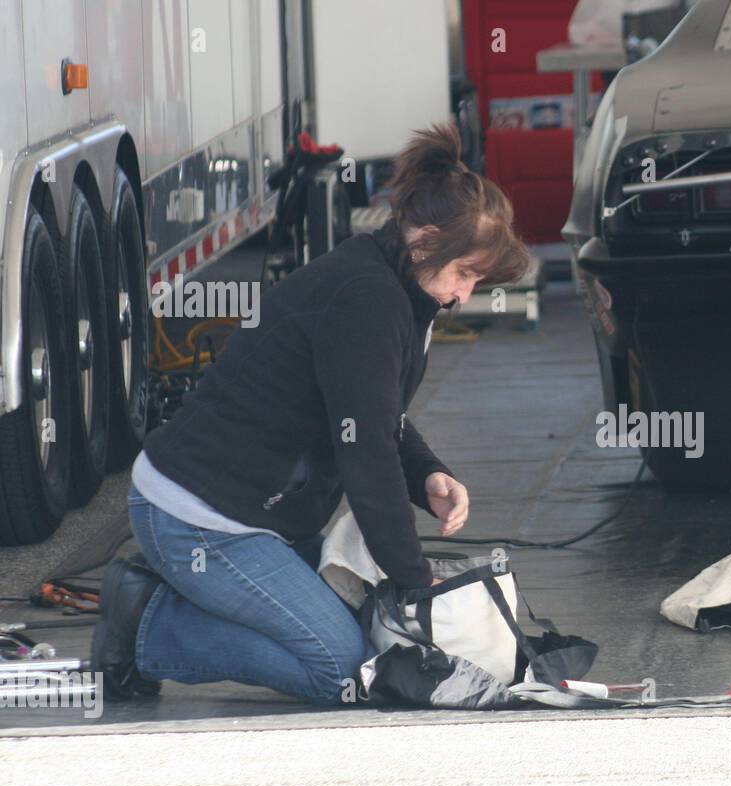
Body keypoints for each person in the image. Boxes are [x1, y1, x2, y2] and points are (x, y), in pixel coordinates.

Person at [90, 122, 531, 705]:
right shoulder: (367, 300)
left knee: (363, 645)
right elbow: (366, 453)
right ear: (424, 241)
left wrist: (426, 475)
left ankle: (188, 597)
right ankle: (147, 623)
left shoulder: (401, 286)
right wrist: (417, 579)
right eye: (466, 273)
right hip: (197, 518)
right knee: (347, 673)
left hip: (252, 515)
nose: (465, 294)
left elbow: (373, 412)